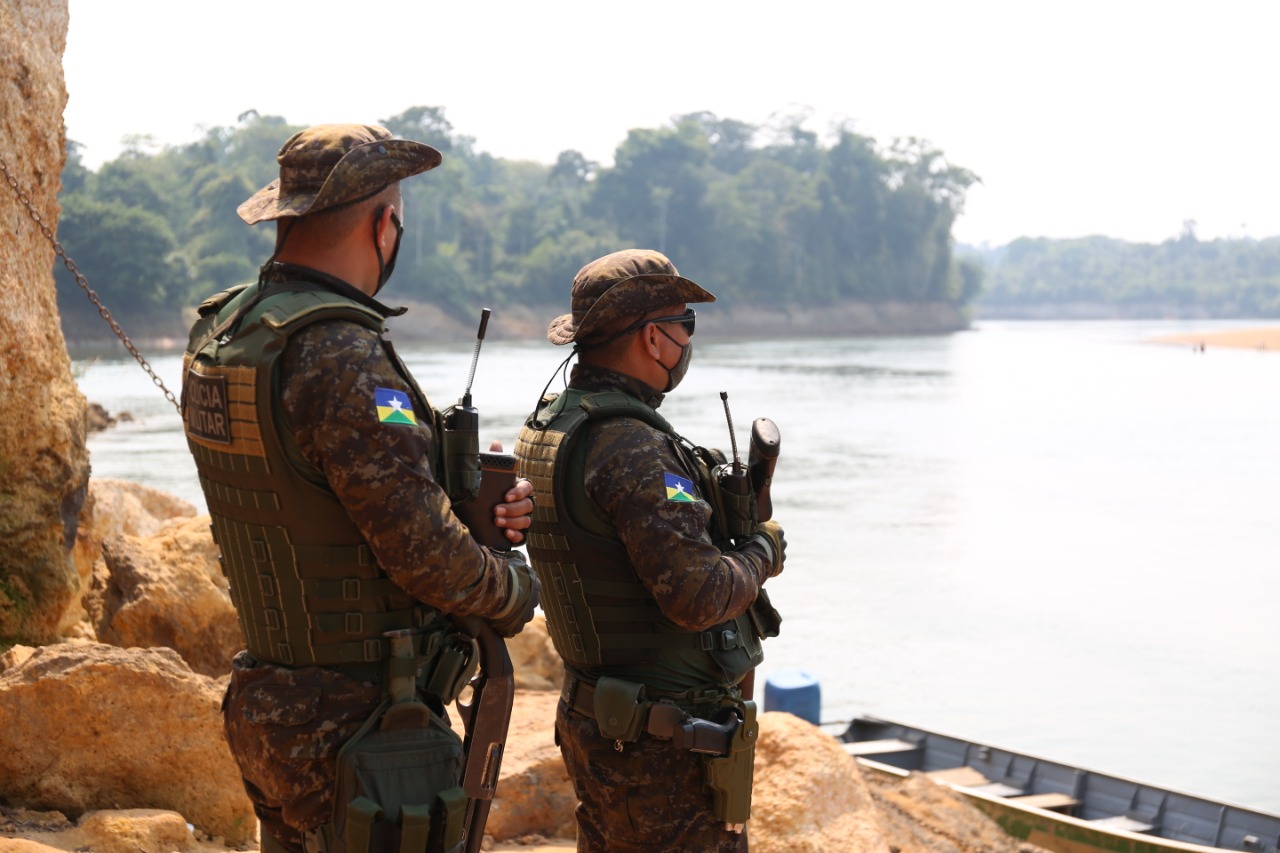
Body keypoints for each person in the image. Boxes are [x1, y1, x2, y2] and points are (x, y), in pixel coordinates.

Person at [180, 124, 539, 853]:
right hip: (362, 723)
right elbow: (423, 553)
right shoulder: (339, 353)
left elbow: (300, 489)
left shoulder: (225, 331)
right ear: (384, 226)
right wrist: (512, 589)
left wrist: (461, 498)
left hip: (268, 697)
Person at [514, 249, 786, 852]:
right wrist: (763, 551)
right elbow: (699, 594)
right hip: (664, 744)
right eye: (684, 324)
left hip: (604, 718)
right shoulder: (630, 445)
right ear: (654, 339)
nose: (688, 340)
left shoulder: (551, 427)